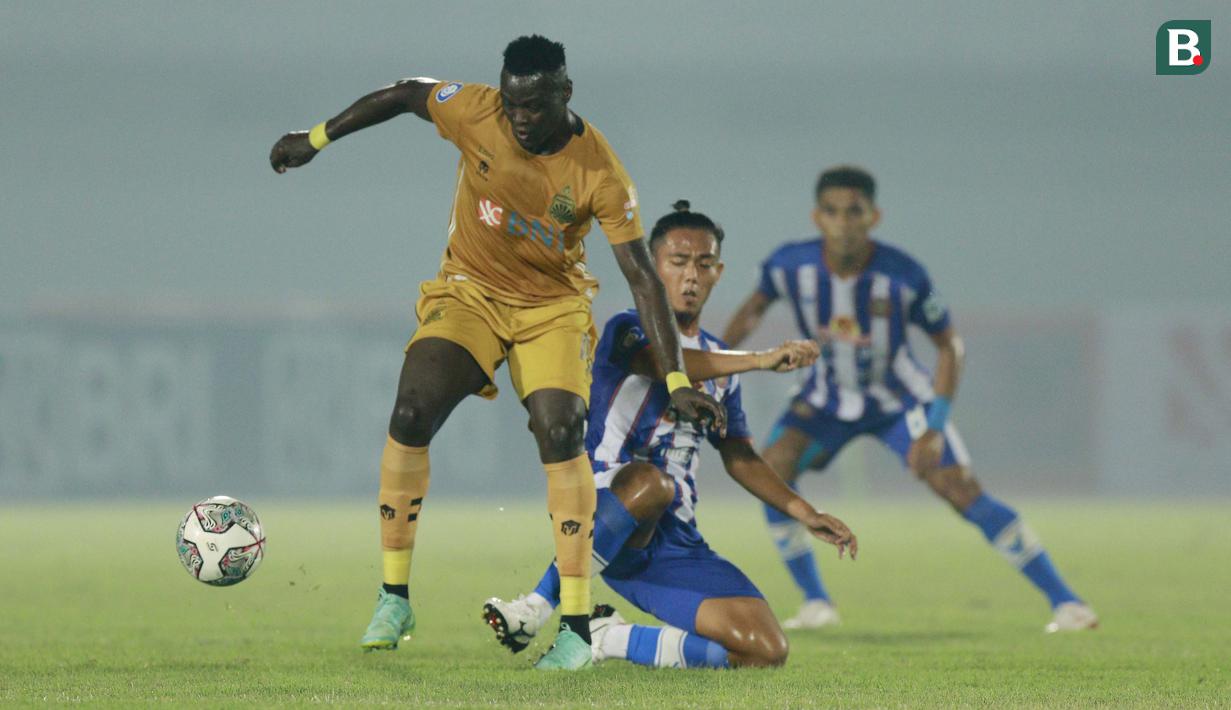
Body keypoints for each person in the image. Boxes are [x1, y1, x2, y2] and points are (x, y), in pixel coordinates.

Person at [268, 35, 725, 669]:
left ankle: (572, 627)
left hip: (552, 308)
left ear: (564, 93)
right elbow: (403, 94)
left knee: (560, 430)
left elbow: (644, 279)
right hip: (470, 292)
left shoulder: (601, 173)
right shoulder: (475, 109)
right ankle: (394, 596)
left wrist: (676, 382)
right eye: (512, 105)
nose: (520, 119)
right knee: (410, 414)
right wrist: (315, 138)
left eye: (534, 106)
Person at [482, 202, 857, 669]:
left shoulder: (721, 359)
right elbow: (667, 365)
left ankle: (607, 638)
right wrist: (760, 358)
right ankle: (536, 607)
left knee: (765, 650)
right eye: (678, 262)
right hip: (607, 510)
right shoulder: (626, 328)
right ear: (653, 270)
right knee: (651, 482)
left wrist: (806, 512)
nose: (691, 276)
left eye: (703, 263)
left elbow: (739, 455)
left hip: (673, 539)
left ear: (719, 271)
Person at [722, 165, 1097, 633]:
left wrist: (936, 426)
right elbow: (751, 310)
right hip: (824, 401)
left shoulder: (903, 274)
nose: (844, 222)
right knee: (771, 472)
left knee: (960, 489)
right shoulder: (787, 265)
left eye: (854, 212)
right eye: (833, 212)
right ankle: (817, 601)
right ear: (818, 218)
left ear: (873, 217)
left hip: (901, 401)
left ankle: (1068, 603)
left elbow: (950, 346)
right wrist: (720, 364)